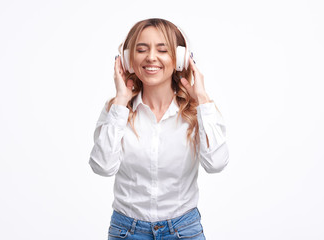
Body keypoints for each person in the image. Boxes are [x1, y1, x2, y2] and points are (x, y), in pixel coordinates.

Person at [89, 18, 229, 240]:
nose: (151, 57)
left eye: (162, 50)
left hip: (184, 230)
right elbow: (102, 167)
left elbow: (216, 163)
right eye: (141, 49)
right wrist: (120, 103)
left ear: (180, 59)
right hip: (127, 231)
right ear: (128, 59)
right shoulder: (117, 110)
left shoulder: (198, 111)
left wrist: (202, 98)